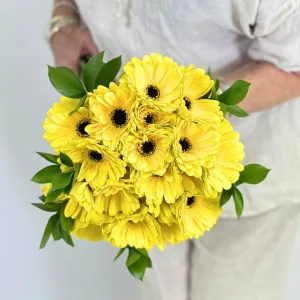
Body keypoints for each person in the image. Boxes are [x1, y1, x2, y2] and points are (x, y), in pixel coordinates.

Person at [49, 1, 300, 299]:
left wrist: (189, 111)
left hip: (249, 163)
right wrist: (62, 19)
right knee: (160, 292)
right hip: (131, 169)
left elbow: (294, 66)